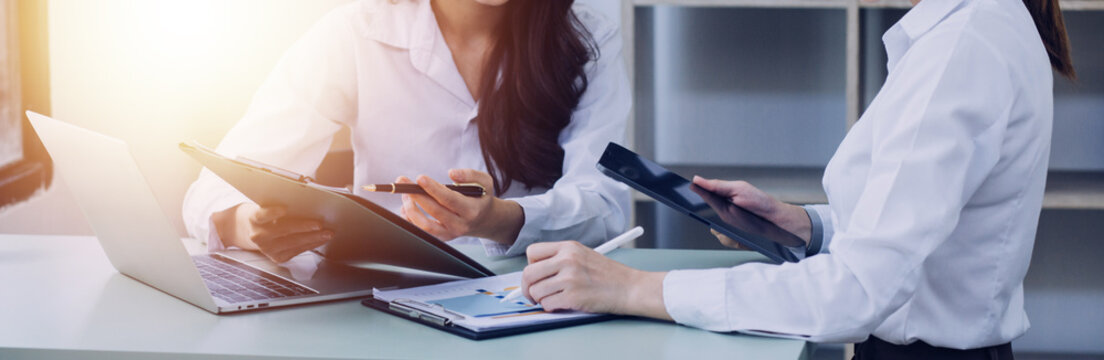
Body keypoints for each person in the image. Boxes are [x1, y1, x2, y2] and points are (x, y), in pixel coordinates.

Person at [519, 0, 1075, 358]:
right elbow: (930, 221)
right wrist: (806, 228)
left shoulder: (963, 47)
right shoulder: (977, 28)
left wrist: (630, 287)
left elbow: (858, 291)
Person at [182, 0, 631, 264]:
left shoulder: (586, 36)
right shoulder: (359, 30)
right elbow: (218, 183)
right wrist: (246, 225)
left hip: (529, 297)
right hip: (378, 293)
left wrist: (502, 218)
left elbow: (607, 205)